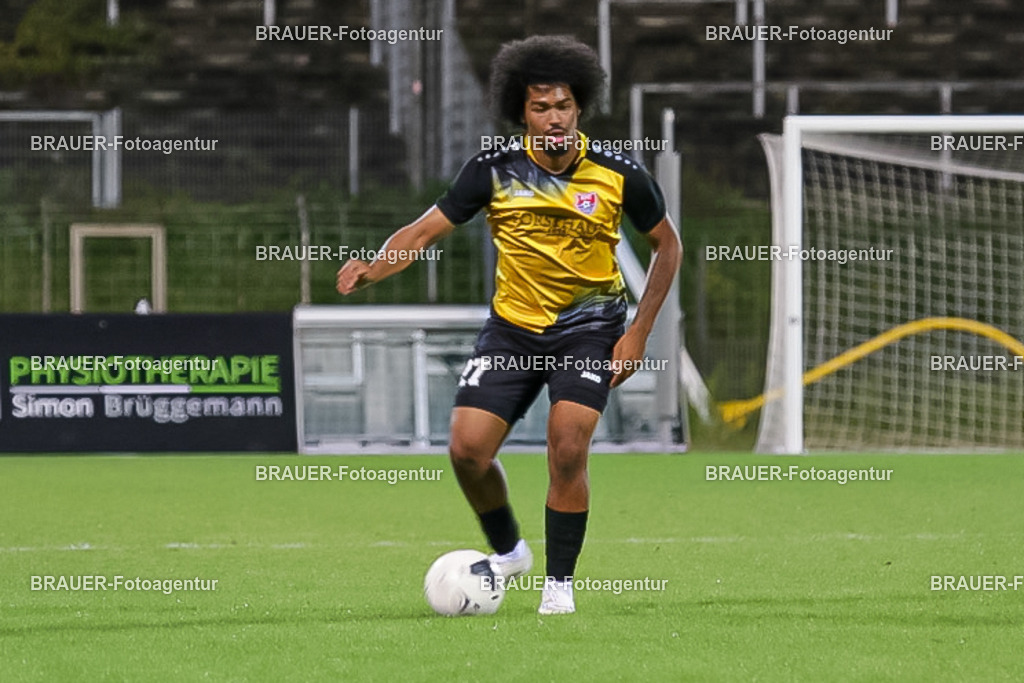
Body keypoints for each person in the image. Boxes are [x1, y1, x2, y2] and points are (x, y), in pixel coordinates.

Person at [337, 34, 681, 615]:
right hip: (513, 330)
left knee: (568, 446)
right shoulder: (493, 171)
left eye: (563, 106)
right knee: (467, 451)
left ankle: (560, 586)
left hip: (590, 328)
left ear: (580, 108)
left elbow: (667, 247)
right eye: (540, 107)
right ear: (521, 112)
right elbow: (422, 232)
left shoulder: (618, 173)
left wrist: (639, 333)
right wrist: (374, 268)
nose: (553, 118)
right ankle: (510, 552)